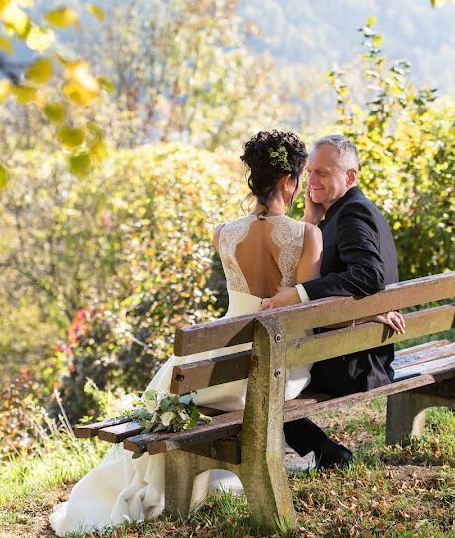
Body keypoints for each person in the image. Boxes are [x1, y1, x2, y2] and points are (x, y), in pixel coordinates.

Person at [50, 129, 322, 535]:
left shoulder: (224, 233)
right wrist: (311, 227)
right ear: (289, 181)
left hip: (214, 368)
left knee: (168, 388)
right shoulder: (306, 235)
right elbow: (305, 308)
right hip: (277, 369)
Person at [259, 134, 404, 469]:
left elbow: (370, 275)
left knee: (261, 380)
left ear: (350, 177)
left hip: (353, 364)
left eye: (322, 173)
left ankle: (325, 451)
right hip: (360, 349)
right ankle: (325, 452)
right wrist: (311, 218)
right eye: (309, 172)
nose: (311, 181)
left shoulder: (352, 215)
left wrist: (298, 294)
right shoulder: (346, 211)